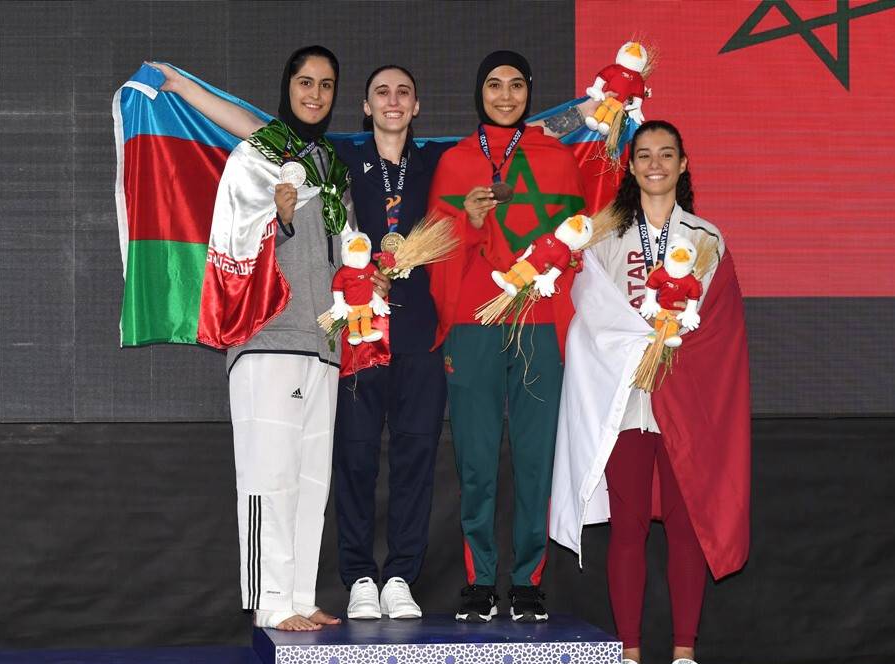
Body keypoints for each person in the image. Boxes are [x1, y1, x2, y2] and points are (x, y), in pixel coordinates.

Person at [152, 58, 593, 621]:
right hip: (356, 336)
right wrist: (185, 87)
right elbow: (255, 126)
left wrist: (591, 113)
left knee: (415, 458)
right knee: (353, 460)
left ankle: (402, 577)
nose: (392, 100)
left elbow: (529, 132)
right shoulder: (335, 155)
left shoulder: (441, 158)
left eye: (404, 92)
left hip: (421, 334)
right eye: (381, 92)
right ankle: (359, 575)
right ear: (364, 106)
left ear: (416, 107)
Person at [549, 121, 752, 664]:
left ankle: (684, 652)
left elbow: (720, 326)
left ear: (684, 164)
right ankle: (630, 653)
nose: (655, 163)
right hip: (626, 400)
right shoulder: (605, 236)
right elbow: (587, 313)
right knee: (630, 524)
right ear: (631, 165)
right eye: (644, 155)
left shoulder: (707, 238)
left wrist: (674, 348)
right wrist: (630, 346)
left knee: (687, 527)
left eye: (667, 154)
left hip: (687, 402)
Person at [186, 45, 353, 632]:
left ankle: (300, 595)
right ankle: (268, 602)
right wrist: (277, 218)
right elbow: (232, 235)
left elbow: (344, 253)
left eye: (327, 85)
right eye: (305, 82)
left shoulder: (332, 165)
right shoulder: (255, 155)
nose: (315, 93)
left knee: (312, 478)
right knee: (267, 474)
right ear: (287, 86)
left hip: (325, 343)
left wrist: (367, 273)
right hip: (268, 339)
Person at [427, 51, 587, 623]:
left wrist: (551, 270)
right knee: (475, 459)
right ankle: (478, 580)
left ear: (528, 93)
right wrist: (467, 224)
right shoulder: (454, 162)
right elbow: (435, 252)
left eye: (516, 85)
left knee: (535, 458)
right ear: (479, 91)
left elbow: (576, 241)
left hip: (538, 323)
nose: (504, 94)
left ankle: (527, 579)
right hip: (473, 324)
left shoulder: (558, 158)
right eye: (493, 84)